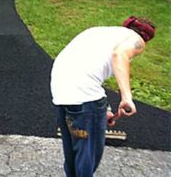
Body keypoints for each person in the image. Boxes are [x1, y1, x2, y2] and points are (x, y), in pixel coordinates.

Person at [50, 16, 155, 177]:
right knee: (88, 152)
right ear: (145, 38)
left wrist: (104, 109)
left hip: (61, 90)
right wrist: (126, 97)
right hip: (82, 94)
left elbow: (87, 70)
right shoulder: (137, 40)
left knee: (72, 150)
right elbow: (120, 55)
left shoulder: (101, 33)